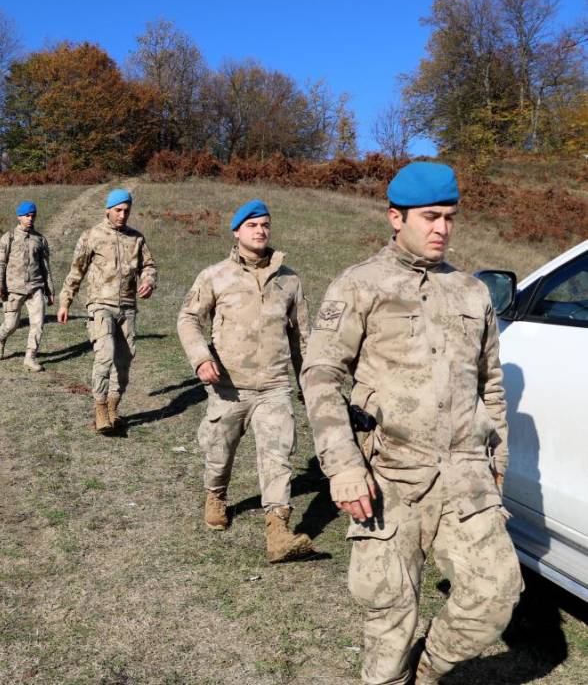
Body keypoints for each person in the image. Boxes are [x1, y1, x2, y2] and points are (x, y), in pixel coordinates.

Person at [301, 162, 521, 684]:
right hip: (390, 476)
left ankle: (426, 672)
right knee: (391, 613)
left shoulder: (472, 293)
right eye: (429, 217)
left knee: (496, 595)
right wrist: (343, 467)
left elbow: (491, 386)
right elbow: (321, 375)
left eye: (449, 217)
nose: (442, 228)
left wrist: (497, 467)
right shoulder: (359, 285)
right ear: (395, 218)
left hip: (465, 474)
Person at [177, 199, 315, 563]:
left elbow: (302, 338)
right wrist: (201, 359)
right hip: (228, 387)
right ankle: (216, 495)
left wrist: (310, 385)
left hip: (274, 385)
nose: (261, 231)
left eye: (266, 224)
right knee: (218, 453)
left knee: (279, 455)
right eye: (253, 225)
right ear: (237, 231)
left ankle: (278, 529)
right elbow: (188, 319)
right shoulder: (215, 276)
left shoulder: (289, 279)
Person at [57, 188, 157, 434]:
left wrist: (148, 281)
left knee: (124, 361)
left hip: (128, 308)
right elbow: (76, 271)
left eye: (126, 211)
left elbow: (149, 266)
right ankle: (100, 407)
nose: (122, 215)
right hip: (100, 304)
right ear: (108, 210)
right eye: (118, 210)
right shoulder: (92, 235)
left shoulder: (136, 239)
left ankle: (113, 406)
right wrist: (65, 301)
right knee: (105, 354)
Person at [0, 201, 54, 372]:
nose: (30, 218)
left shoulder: (40, 239)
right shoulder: (9, 237)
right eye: (27, 215)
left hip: (35, 287)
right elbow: (0, 263)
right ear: (19, 216)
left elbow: (45, 267)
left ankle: (30, 357)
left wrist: (50, 291)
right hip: (14, 289)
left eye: (32, 215)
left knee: (38, 323)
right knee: (11, 324)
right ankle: (1, 338)